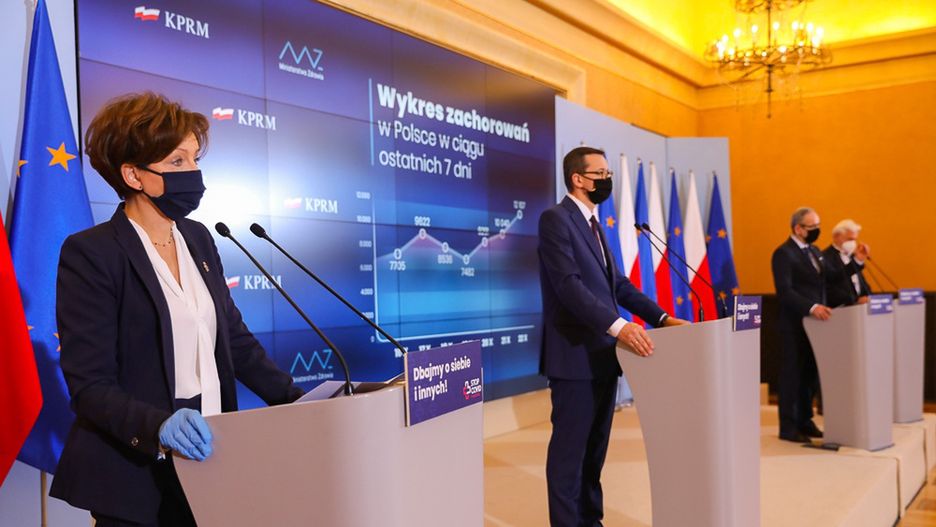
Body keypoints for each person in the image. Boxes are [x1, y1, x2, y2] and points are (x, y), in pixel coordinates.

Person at [49, 92, 303, 526]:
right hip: (135, 473)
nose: (193, 173)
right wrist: (158, 427)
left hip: (213, 455)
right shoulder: (92, 253)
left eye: (194, 159)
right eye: (177, 161)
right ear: (133, 174)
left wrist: (299, 400)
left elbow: (235, 342)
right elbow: (89, 384)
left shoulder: (199, 238)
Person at [538, 146, 688, 526]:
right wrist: (621, 326)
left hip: (603, 356)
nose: (607, 180)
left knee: (594, 452)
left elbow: (617, 285)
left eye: (608, 174)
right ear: (578, 178)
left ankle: (591, 521)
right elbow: (569, 286)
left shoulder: (593, 224)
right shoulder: (555, 219)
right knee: (569, 455)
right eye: (601, 174)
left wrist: (662, 317)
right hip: (573, 357)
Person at [823, 219, 871, 307]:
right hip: (840, 309)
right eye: (850, 239)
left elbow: (862, 285)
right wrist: (856, 300)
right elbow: (830, 287)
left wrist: (869, 297)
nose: (853, 243)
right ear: (836, 236)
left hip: (859, 309)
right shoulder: (825, 257)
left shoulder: (852, 256)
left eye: (855, 239)